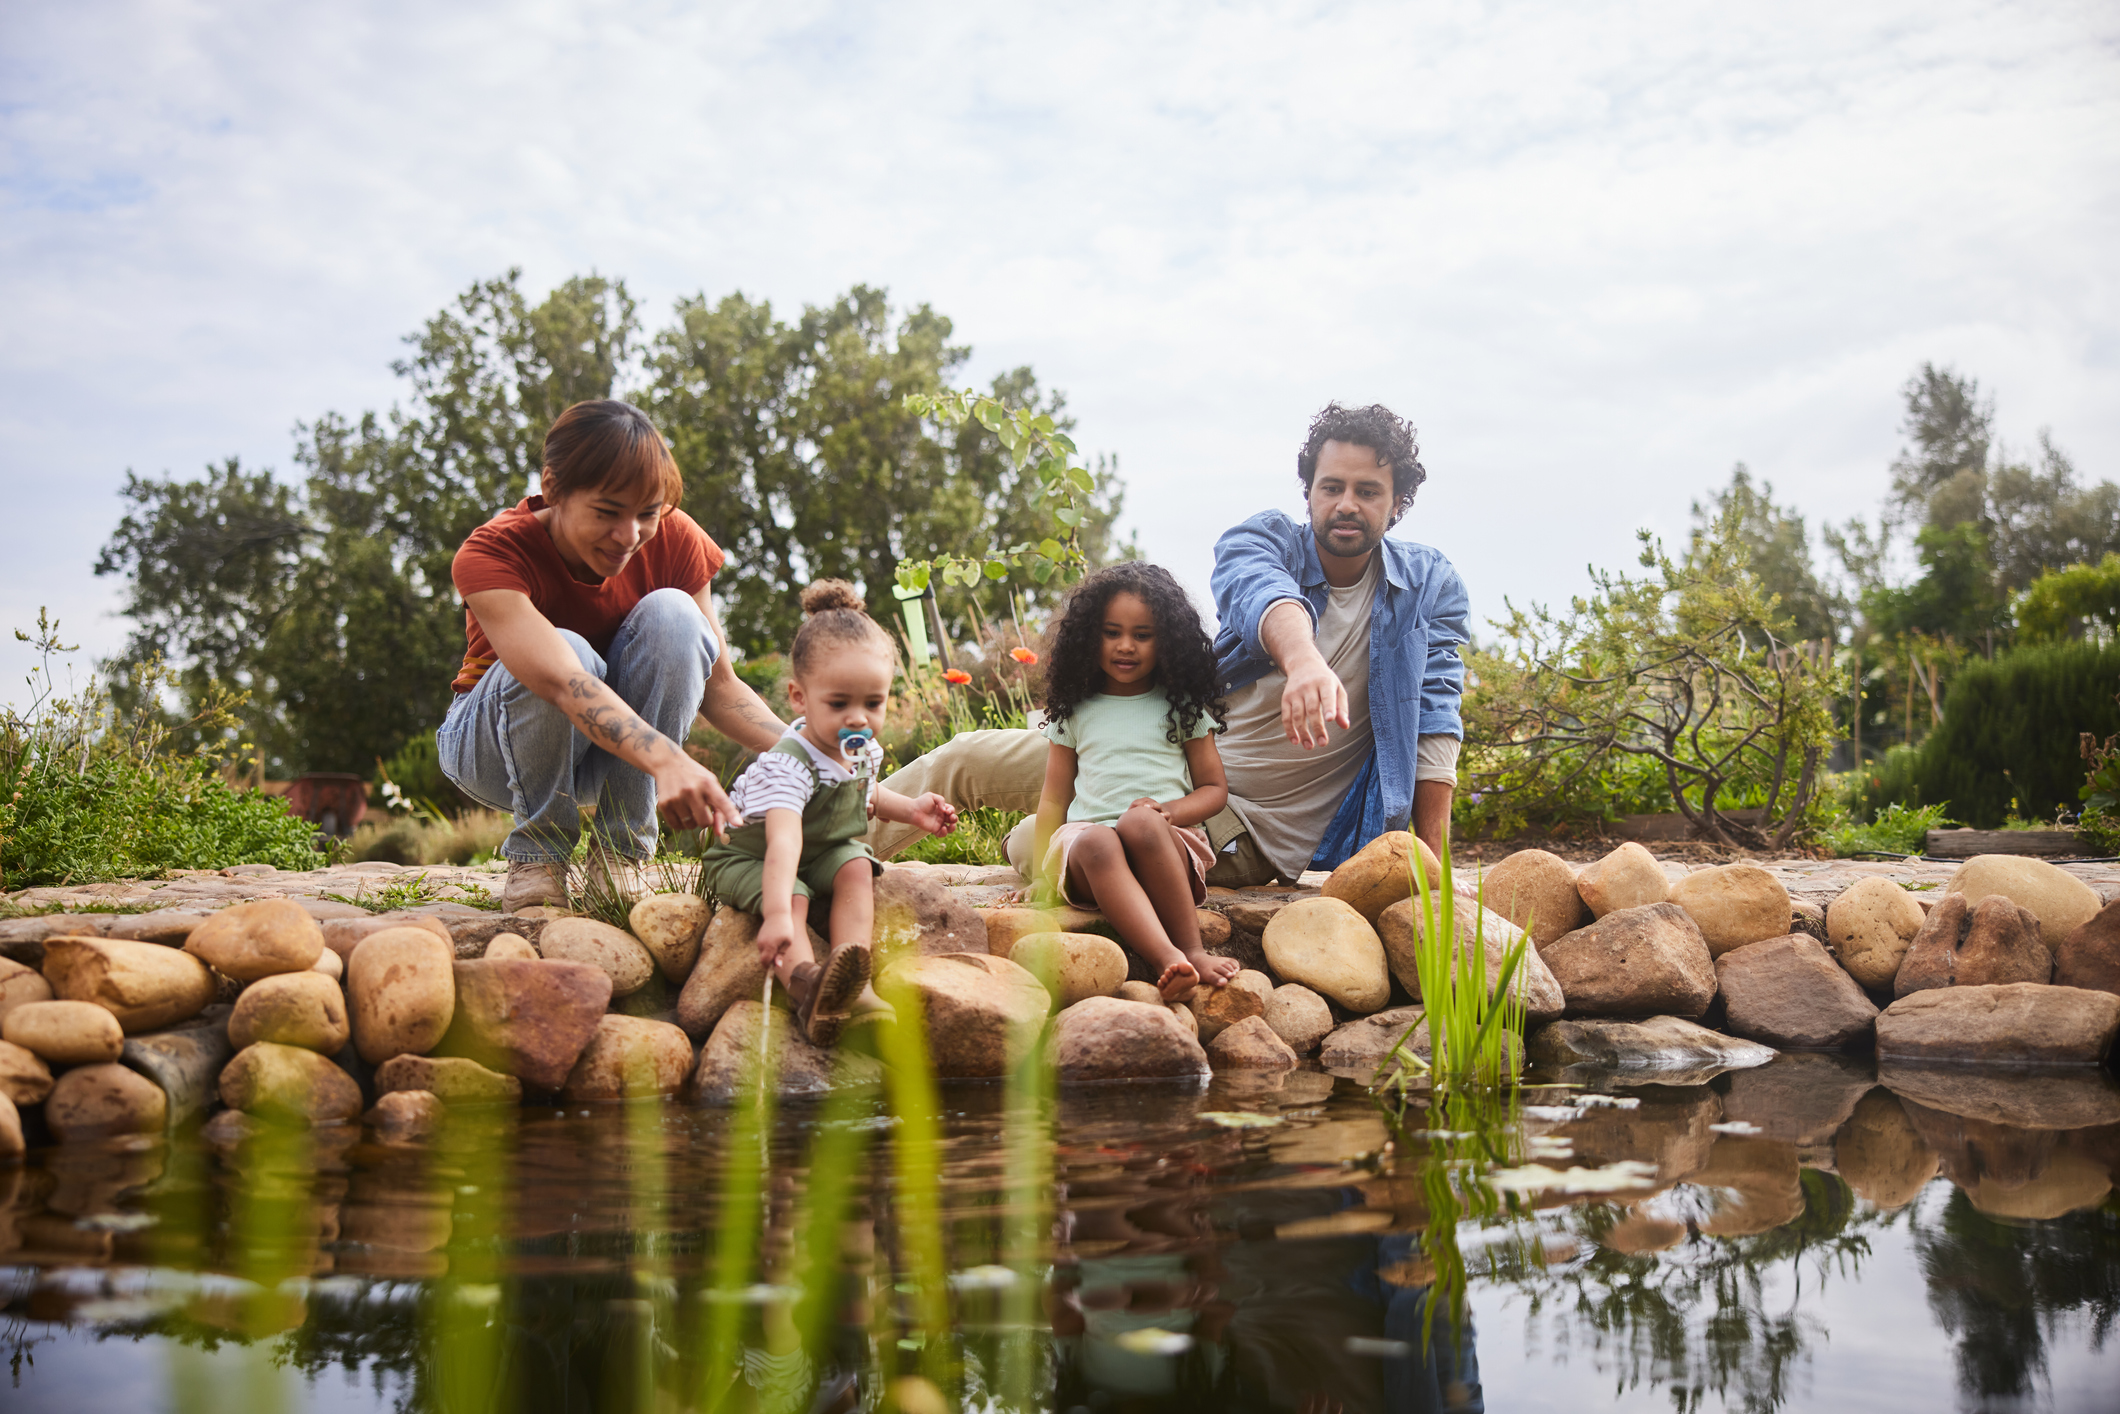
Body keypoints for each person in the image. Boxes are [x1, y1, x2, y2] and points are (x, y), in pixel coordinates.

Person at [868, 402, 1468, 886]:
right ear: (1308, 491)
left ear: (1397, 502)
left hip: (1242, 824)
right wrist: (1304, 659)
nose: (1347, 504)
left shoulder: (1428, 587)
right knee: (965, 755)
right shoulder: (1265, 540)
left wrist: (1434, 864)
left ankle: (1049, 845)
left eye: (1368, 491)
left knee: (1034, 841)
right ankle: (817, 860)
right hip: (1154, 740)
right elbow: (1258, 590)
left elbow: (1435, 722)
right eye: (1331, 486)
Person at [439, 399, 786, 912]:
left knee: (675, 615)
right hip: (492, 748)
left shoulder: (675, 539)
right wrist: (669, 761)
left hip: (612, 753)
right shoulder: (491, 553)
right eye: (607, 513)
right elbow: (559, 680)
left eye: (646, 514)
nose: (629, 537)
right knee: (571, 649)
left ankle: (620, 856)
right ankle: (539, 855)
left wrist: (812, 754)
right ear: (552, 487)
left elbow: (722, 688)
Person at [698, 581, 960, 1045]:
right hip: (751, 858)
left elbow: (867, 794)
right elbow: (783, 843)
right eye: (839, 704)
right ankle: (806, 984)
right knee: (795, 897)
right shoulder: (788, 765)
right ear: (799, 698)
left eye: (872, 703)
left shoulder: (860, 749)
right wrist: (777, 914)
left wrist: (913, 810)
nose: (858, 718)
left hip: (818, 850)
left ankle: (852, 978)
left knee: (857, 863)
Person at [1016, 562, 1242, 999]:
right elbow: (1053, 799)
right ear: (1088, 636)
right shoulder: (1074, 711)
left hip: (1161, 844)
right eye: (1111, 632)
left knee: (1138, 821)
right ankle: (1166, 958)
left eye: (1142, 635)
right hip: (1091, 851)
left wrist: (1169, 811)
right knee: (1100, 838)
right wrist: (1043, 876)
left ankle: (1192, 950)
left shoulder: (1183, 708)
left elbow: (1215, 790)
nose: (1125, 646)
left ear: (1168, 641)